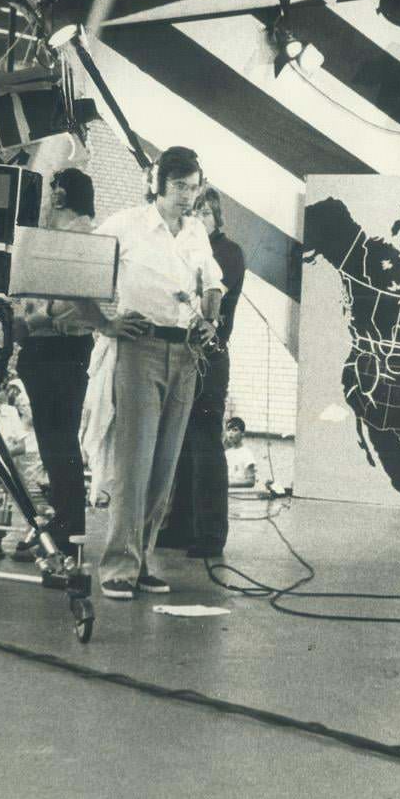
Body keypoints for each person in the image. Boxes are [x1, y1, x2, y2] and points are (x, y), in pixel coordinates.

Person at [73, 147, 225, 601]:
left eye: (193, 187)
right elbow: (79, 269)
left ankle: (141, 562)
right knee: (133, 463)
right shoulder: (126, 225)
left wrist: (210, 313)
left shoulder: (196, 230)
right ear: (158, 183)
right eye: (179, 186)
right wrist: (103, 323)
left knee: (164, 466)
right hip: (138, 348)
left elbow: (213, 282)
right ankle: (117, 566)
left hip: (185, 354)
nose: (187, 196)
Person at [11, 166, 97, 560]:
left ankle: (67, 532)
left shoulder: (77, 237)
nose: (45, 199)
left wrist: (35, 321)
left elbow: (77, 295)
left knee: (58, 443)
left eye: (50, 191)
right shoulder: (64, 235)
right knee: (55, 444)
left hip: (56, 348)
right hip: (51, 348)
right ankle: (64, 526)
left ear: (61, 195)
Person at [160, 185, 249, 558]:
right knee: (180, 443)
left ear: (216, 217)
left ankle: (211, 533)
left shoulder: (226, 253)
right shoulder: (187, 252)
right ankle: (180, 527)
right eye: (192, 215)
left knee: (204, 440)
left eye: (205, 214)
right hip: (182, 352)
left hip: (209, 356)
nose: (197, 221)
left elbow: (209, 298)